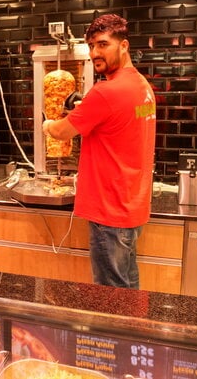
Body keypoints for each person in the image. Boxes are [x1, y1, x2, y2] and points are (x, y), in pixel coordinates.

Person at [42, 14, 156, 289]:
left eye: (103, 44)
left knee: (110, 296)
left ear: (124, 45)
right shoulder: (142, 87)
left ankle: (117, 334)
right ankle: (133, 332)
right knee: (128, 287)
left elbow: (62, 131)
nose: (95, 53)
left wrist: (47, 123)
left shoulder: (106, 92)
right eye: (92, 46)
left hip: (110, 210)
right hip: (131, 206)